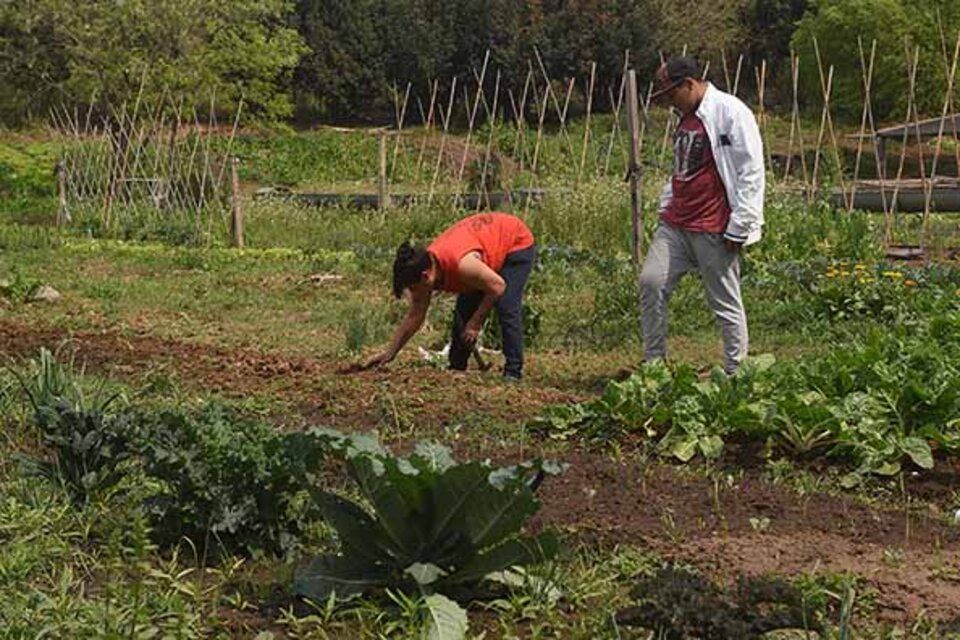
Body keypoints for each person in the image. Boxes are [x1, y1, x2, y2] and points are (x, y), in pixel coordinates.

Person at [640, 56, 765, 375]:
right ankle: (654, 365)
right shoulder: (686, 116)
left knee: (724, 301)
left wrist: (741, 225)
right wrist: (666, 204)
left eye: (671, 94)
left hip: (714, 226)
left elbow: (751, 170)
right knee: (651, 282)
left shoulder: (731, 112)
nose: (668, 102)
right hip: (676, 223)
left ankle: (736, 372)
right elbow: (681, 168)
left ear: (689, 84)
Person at [366, 212, 536, 380]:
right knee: (464, 311)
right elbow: (416, 315)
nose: (413, 293)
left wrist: (476, 322)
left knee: (506, 305)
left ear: (426, 276)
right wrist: (390, 353)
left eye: (412, 288)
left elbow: (498, 287)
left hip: (514, 242)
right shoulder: (427, 268)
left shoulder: (462, 265)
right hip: (483, 251)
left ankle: (513, 371)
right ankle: (457, 367)